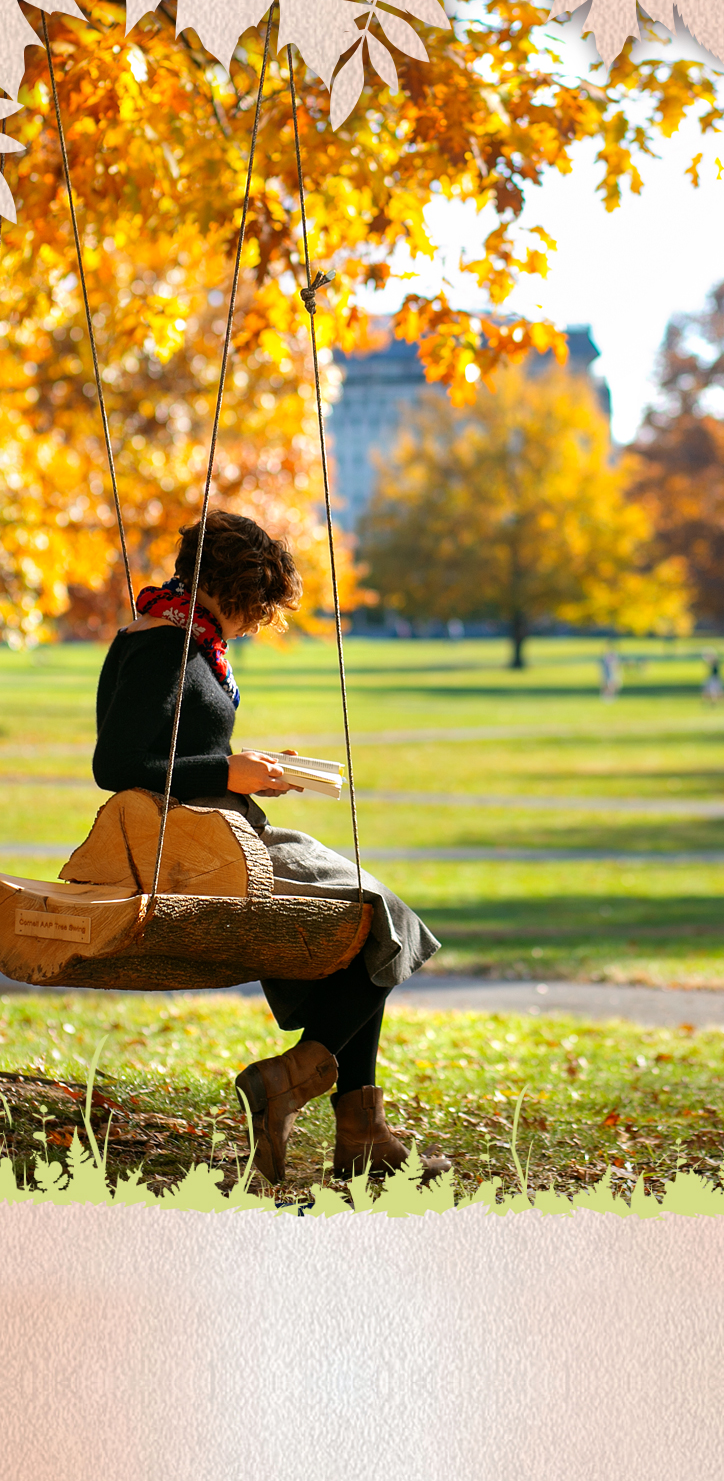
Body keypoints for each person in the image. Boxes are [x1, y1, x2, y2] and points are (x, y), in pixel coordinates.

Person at [92, 509, 451, 1190]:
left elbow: (170, 749)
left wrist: (244, 767)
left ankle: (360, 1130)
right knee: (378, 916)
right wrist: (229, 773)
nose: (260, 625)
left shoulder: (185, 636)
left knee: (363, 919)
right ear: (239, 591)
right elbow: (119, 764)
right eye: (261, 610)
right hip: (196, 849)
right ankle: (294, 1082)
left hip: (218, 830)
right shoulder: (163, 644)